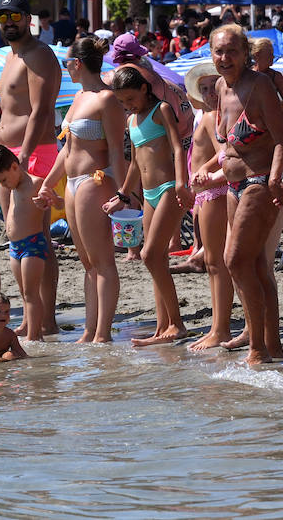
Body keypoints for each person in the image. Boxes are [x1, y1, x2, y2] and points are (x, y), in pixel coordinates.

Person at [211, 24, 283, 365]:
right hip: (232, 185)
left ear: (246, 54)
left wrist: (275, 176)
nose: (225, 58)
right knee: (256, 265)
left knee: (234, 261)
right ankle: (271, 345)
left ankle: (257, 347)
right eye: (219, 52)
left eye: (232, 51)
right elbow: (226, 142)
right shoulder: (219, 86)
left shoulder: (259, 86)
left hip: (259, 182)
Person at [37, 36, 125, 343]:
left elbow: (117, 149)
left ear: (77, 64)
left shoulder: (106, 99)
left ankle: (103, 332)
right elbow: (67, 149)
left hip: (95, 180)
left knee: (102, 259)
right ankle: (90, 330)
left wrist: (123, 191)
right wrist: (49, 181)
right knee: (87, 261)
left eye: (66, 64)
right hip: (72, 182)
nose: (66, 69)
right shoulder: (77, 98)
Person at [0, 0, 62, 332]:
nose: (9, 22)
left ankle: (45, 319)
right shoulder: (11, 56)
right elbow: (10, 109)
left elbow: (41, 110)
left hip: (33, 153)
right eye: (3, 17)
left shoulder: (39, 55)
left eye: (15, 16)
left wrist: (23, 153)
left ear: (28, 17)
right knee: (18, 236)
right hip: (12, 155)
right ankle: (32, 317)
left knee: (39, 238)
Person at [110, 65, 192, 346]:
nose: (127, 105)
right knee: (157, 260)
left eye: (130, 99)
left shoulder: (161, 110)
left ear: (145, 89)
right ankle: (162, 328)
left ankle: (177, 325)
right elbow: (134, 163)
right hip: (148, 194)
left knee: (150, 255)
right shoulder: (131, 121)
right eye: (122, 102)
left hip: (168, 188)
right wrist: (121, 195)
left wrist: (182, 183)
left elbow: (178, 147)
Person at [183, 62, 235, 351]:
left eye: (211, 87)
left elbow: (224, 153)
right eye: (202, 89)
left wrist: (204, 170)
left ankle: (220, 328)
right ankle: (219, 326)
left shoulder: (212, 117)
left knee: (217, 264)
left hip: (214, 191)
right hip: (206, 192)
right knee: (214, 263)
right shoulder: (206, 116)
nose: (208, 93)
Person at [0, 144, 53, 343]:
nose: (3, 185)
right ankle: (30, 327)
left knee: (31, 293)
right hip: (15, 247)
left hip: (32, 244)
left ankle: (35, 336)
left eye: (3, 180)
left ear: (14, 166)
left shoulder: (36, 183)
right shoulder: (12, 187)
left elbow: (52, 202)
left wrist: (46, 202)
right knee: (24, 293)